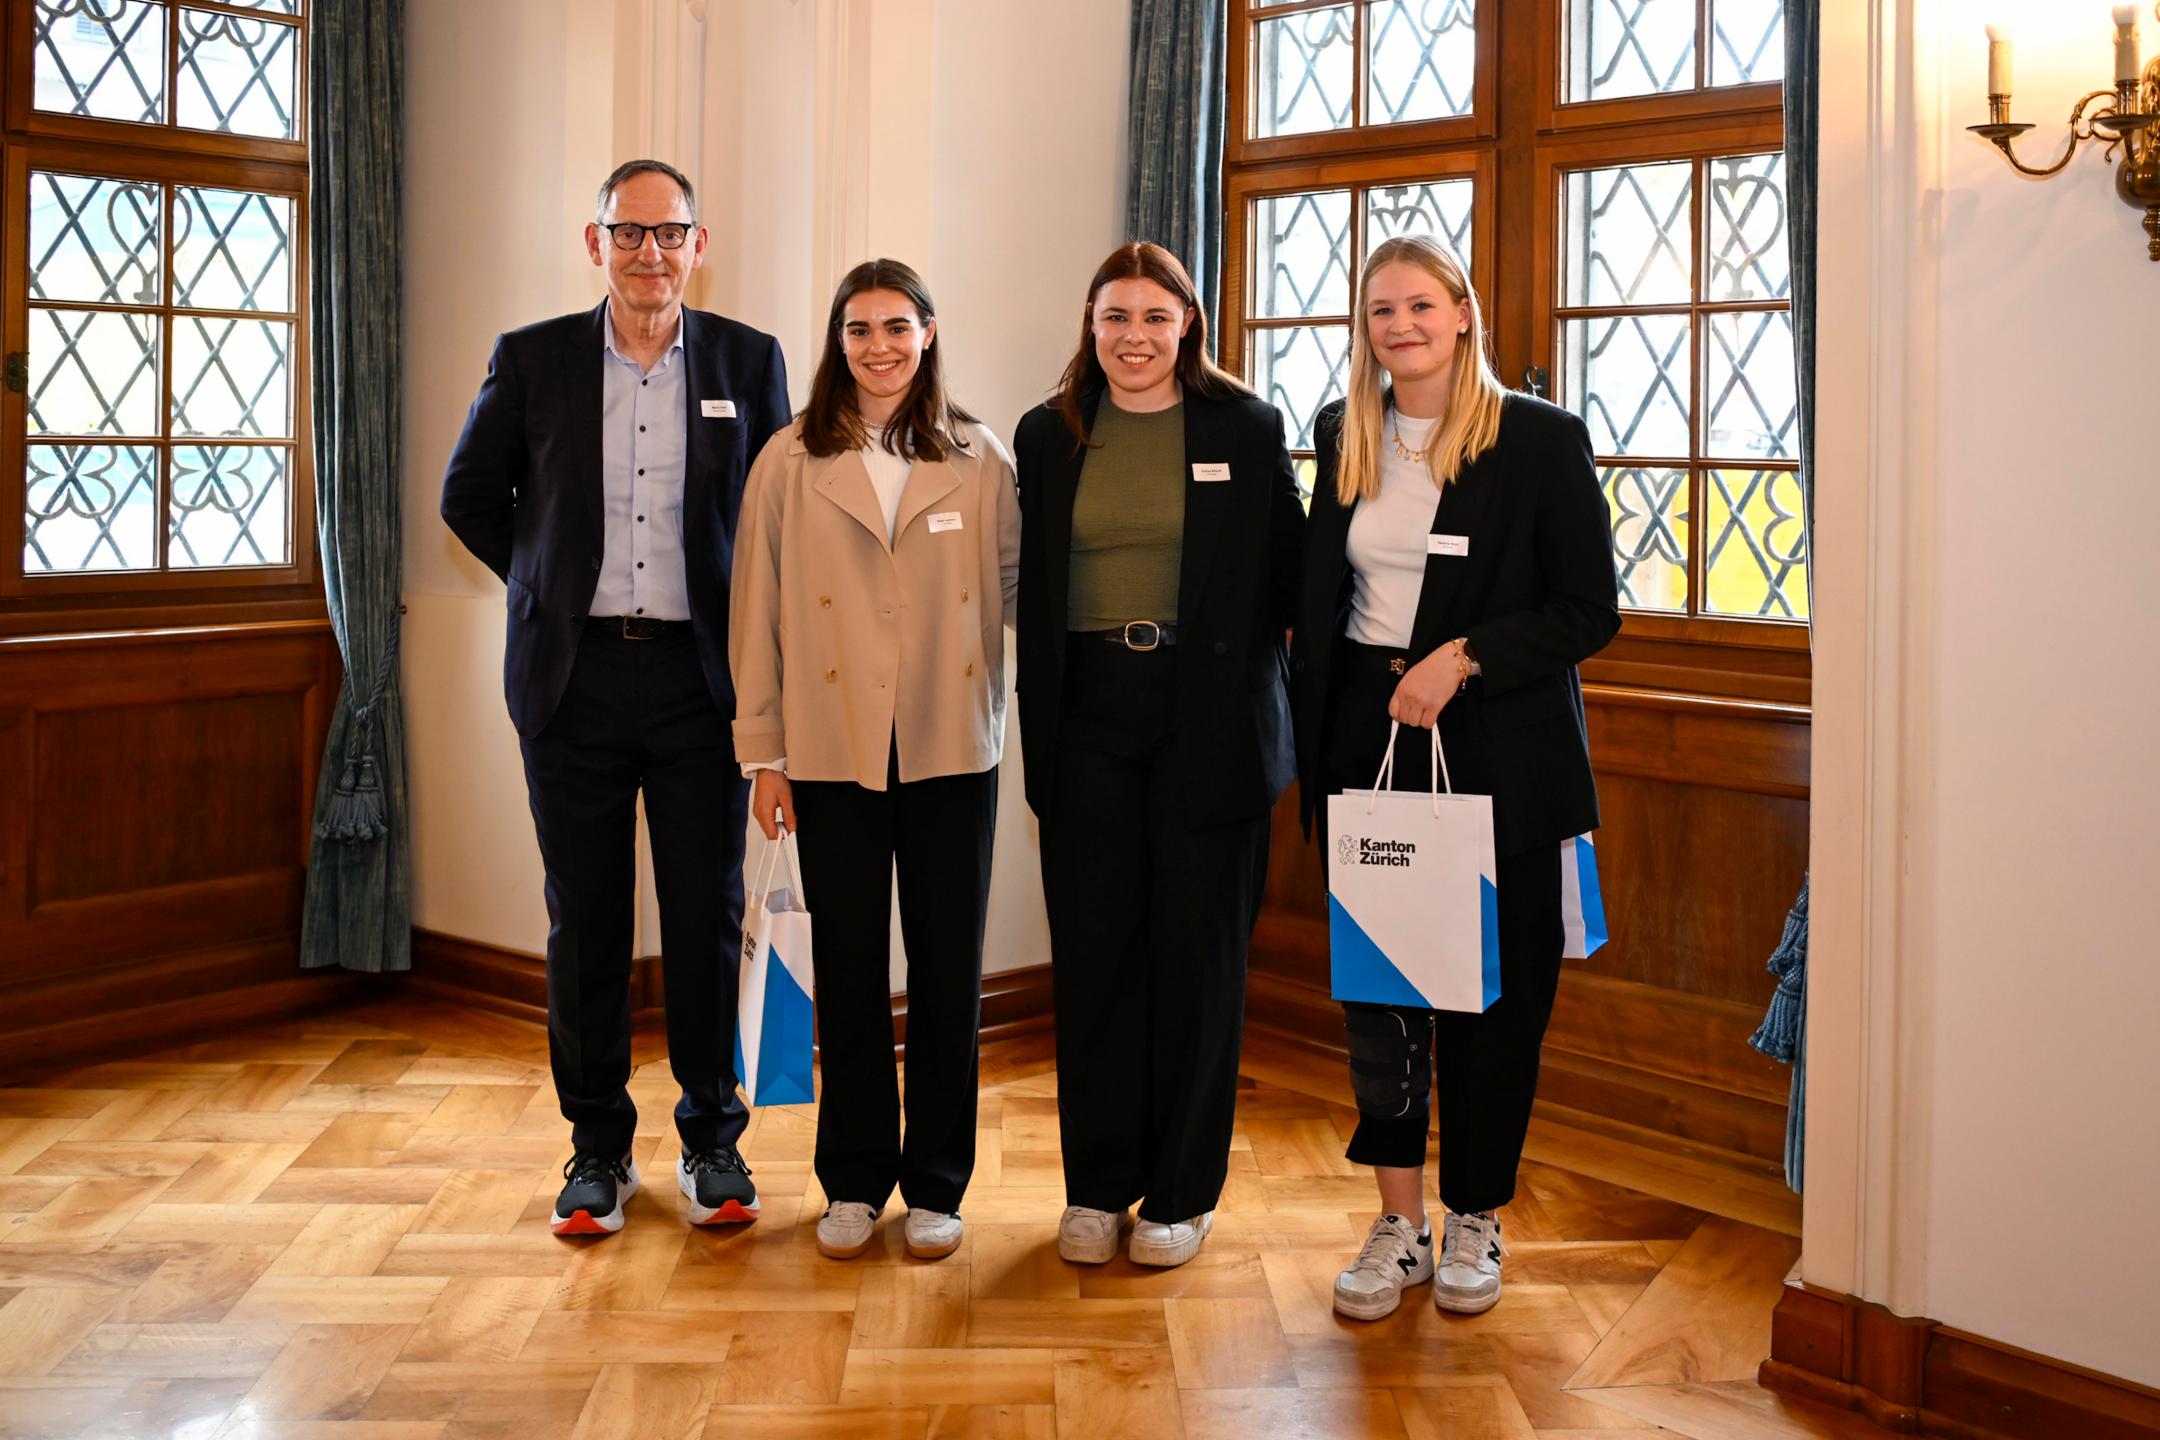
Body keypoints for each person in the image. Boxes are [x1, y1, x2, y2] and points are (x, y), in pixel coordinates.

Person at [440, 158, 791, 1237]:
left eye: (669, 233)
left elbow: (771, 520)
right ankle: (596, 1147)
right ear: (595, 244)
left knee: (702, 914)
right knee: (584, 924)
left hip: (700, 686)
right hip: (573, 682)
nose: (650, 253)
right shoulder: (532, 358)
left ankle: (711, 1141)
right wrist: (548, 583)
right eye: (628, 233)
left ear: (699, 244)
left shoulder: (748, 359)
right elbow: (469, 498)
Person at [1290, 234, 1620, 1317]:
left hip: (1500, 760)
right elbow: (1315, 597)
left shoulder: (1539, 441)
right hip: (1371, 752)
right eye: (1381, 310)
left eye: (1421, 306)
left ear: (1464, 313)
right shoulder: (1347, 433)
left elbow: (1588, 611)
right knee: (1382, 998)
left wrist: (1465, 658)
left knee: (1493, 1002)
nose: (1402, 326)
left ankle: (1477, 1214)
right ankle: (1400, 1222)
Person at [1012, 242, 1303, 1269]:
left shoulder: (1246, 427)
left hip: (1211, 723)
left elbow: (1292, 579)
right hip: (1085, 717)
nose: (1133, 338)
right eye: (1114, 319)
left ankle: (1182, 1191)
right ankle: (1096, 1185)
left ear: (1189, 323)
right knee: (1095, 960)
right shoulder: (1048, 436)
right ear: (1090, 329)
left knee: (1199, 964)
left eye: (1153, 317)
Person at [730, 259, 1019, 1262]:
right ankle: (852, 1177)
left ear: (929, 334)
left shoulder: (979, 456)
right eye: (860, 330)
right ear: (836, 341)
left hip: (951, 742)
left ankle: (939, 1182)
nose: (880, 348)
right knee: (848, 967)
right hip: (828, 744)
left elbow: (1016, 585)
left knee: (948, 971)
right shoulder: (786, 461)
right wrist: (762, 753)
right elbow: (755, 615)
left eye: (898, 327)